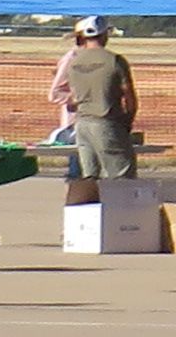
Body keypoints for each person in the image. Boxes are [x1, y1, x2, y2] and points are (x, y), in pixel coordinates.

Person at [55, 15, 142, 234]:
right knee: (121, 177)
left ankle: (83, 229)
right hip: (107, 121)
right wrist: (127, 122)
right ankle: (122, 228)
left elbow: (73, 98)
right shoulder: (114, 61)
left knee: (89, 178)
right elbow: (129, 96)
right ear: (105, 35)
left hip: (82, 125)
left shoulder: (75, 62)